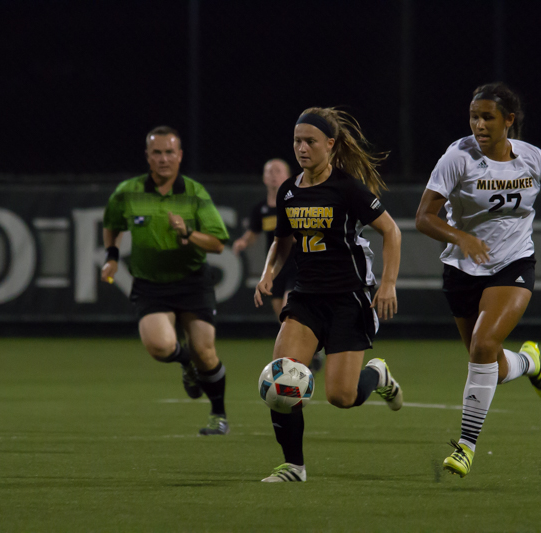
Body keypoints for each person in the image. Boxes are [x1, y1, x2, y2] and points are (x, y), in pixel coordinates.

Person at [415, 83, 541, 477]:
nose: (478, 124)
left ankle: (465, 446)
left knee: (482, 345)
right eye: (474, 116)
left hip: (513, 264)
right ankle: (529, 363)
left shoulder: (531, 159)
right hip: (461, 268)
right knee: (488, 361)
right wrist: (461, 236)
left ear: (509, 120)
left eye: (488, 117)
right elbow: (423, 217)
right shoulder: (456, 158)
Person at [254, 107, 404, 482]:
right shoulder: (288, 191)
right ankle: (294, 466)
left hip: (348, 299)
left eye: (310, 142)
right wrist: (267, 272)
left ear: (330, 145)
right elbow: (282, 241)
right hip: (306, 298)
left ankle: (378, 374)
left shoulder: (347, 188)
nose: (302, 149)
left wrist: (387, 283)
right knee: (280, 380)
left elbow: (392, 232)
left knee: (342, 397)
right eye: (297, 141)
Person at [101, 126, 231, 436]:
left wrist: (187, 233)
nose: (163, 159)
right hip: (150, 284)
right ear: (147, 157)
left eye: (169, 152)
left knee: (206, 353)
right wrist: (112, 257)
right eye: (156, 152)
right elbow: (112, 224)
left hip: (192, 282)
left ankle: (218, 415)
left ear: (180, 156)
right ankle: (186, 364)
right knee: (160, 347)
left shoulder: (195, 193)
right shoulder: (128, 191)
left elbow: (217, 243)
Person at [233, 158, 325, 372]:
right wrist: (243, 242)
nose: (273, 174)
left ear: (287, 175)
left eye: (278, 170)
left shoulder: (297, 201)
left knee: (289, 307)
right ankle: (311, 348)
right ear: (264, 178)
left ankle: (303, 353)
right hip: (277, 268)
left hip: (299, 264)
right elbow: (253, 233)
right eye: (269, 171)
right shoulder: (262, 209)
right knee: (280, 312)